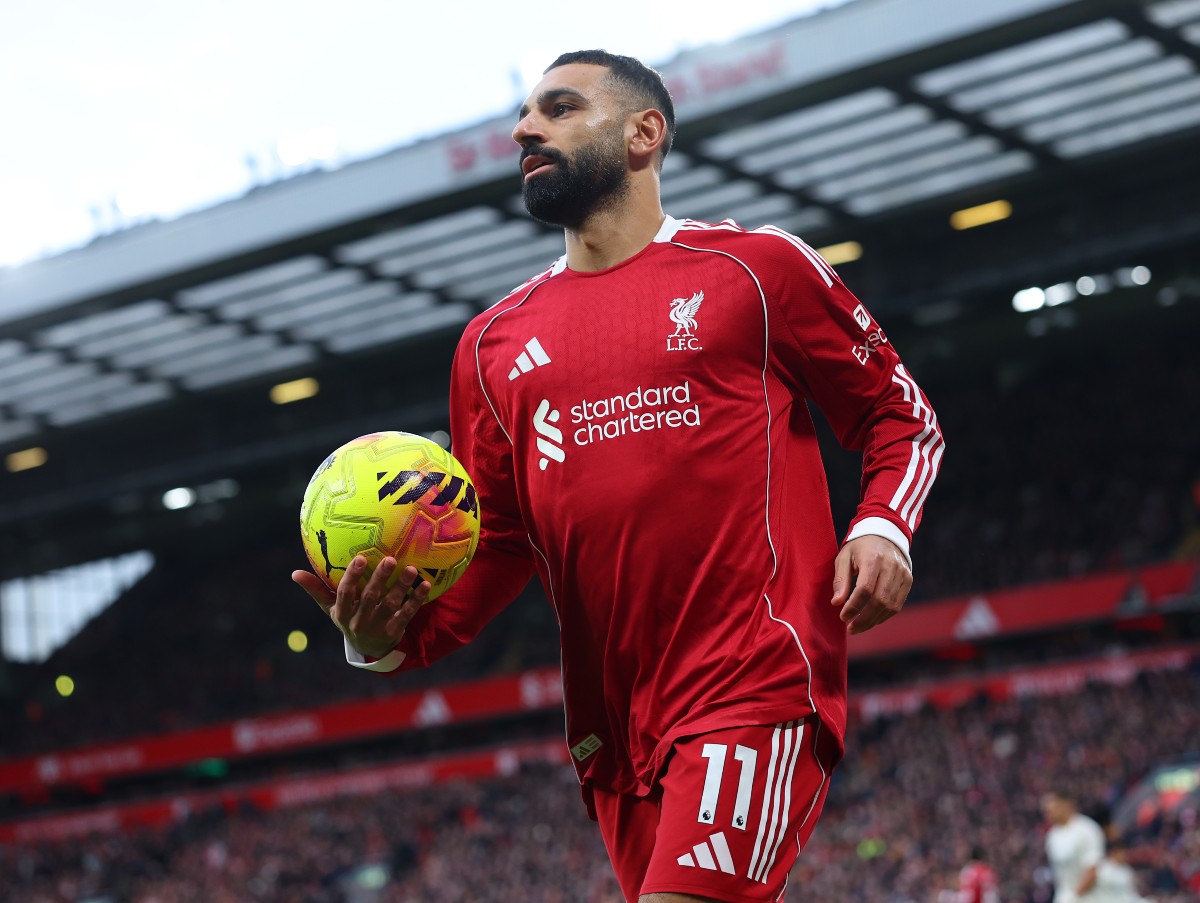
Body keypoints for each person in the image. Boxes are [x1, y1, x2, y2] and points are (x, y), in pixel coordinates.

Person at [294, 50, 944, 903]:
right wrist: (381, 637)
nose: (526, 129)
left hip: (754, 681)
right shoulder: (489, 347)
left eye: (560, 108)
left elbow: (900, 415)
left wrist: (882, 525)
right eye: (526, 115)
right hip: (610, 729)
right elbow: (500, 540)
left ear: (645, 134)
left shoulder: (756, 269)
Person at [1042, 791, 1107, 902]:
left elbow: (1093, 869)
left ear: (1066, 805)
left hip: (1091, 898)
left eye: (1052, 808)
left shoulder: (1087, 829)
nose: (1048, 813)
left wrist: (1074, 896)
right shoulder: (1052, 837)